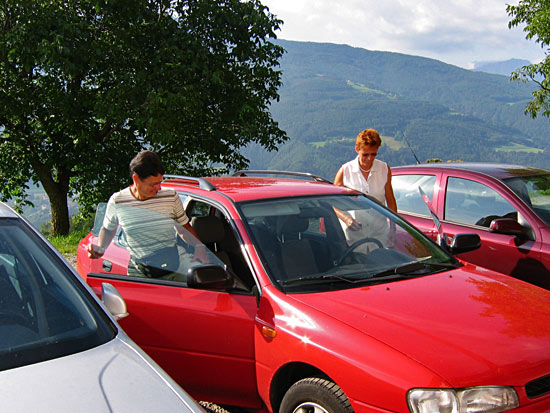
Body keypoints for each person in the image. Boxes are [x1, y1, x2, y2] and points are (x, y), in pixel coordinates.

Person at [87, 150, 206, 278]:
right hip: (140, 271)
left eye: (160, 182)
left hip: (174, 264)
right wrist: (101, 247)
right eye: (154, 184)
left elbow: (184, 228)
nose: (159, 188)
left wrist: (199, 246)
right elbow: (108, 229)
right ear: (136, 179)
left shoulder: (170, 196)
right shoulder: (118, 201)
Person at [333, 129, 397, 248]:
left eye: (373, 154)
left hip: (380, 234)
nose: (369, 159)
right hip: (354, 237)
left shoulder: (384, 169)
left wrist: (393, 228)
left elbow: (391, 201)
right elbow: (332, 203)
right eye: (365, 154)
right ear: (357, 149)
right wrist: (346, 219)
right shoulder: (345, 171)